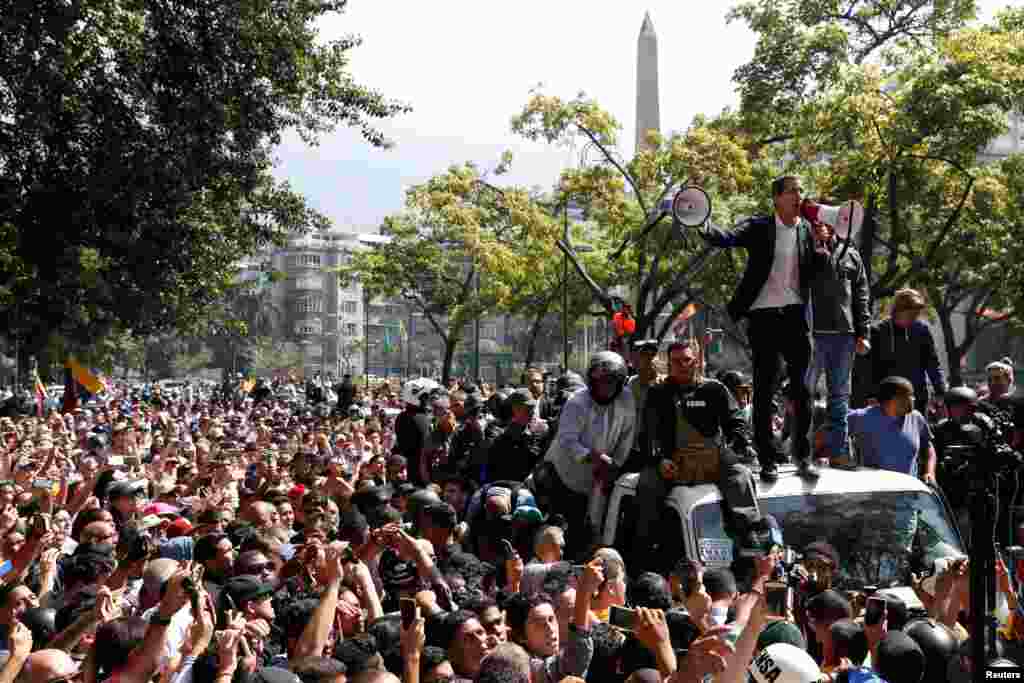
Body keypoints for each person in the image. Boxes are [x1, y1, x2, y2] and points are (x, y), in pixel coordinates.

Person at [699, 175, 819, 483]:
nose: (799, 196)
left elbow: (814, 271)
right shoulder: (759, 227)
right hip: (763, 317)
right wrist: (701, 222)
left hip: (795, 316)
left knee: (803, 389)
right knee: (764, 389)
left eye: (800, 191)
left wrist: (825, 245)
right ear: (777, 198)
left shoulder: (807, 230)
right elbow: (725, 237)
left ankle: (803, 456)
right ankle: (767, 459)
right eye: (793, 191)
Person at [633, 338, 772, 571]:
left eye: (687, 360)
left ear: (696, 362)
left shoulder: (714, 389)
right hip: (673, 464)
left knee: (740, 475)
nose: (682, 365)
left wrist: (735, 445)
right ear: (668, 363)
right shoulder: (657, 393)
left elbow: (736, 422)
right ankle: (646, 554)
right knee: (647, 484)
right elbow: (647, 436)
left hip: (712, 460)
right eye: (676, 361)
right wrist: (659, 461)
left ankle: (750, 542)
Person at [534, 351, 636, 558]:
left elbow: (627, 436)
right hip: (565, 474)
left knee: (595, 529)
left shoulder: (626, 399)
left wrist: (615, 465)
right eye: (601, 382)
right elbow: (567, 440)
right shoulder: (577, 402)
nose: (605, 388)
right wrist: (593, 457)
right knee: (566, 528)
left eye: (611, 383)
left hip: (600, 476)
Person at [806, 214, 871, 467]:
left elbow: (861, 296)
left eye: (827, 220)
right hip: (812, 334)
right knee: (803, 393)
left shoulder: (852, 255)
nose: (822, 225)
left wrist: (863, 332)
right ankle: (802, 450)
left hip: (844, 335)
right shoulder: (804, 251)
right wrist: (816, 250)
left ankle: (839, 451)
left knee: (840, 397)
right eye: (817, 222)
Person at [857, 288, 947, 415]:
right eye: (911, 314)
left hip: (917, 398)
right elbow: (869, 368)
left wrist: (940, 391)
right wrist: (871, 394)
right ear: (899, 310)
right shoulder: (878, 331)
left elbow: (932, 363)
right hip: (887, 400)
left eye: (916, 314)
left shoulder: (922, 330)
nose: (914, 317)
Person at [847, 376, 936, 484]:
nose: (913, 399)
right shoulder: (864, 417)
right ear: (891, 399)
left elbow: (928, 448)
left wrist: (930, 472)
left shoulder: (916, 418)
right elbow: (831, 429)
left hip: (908, 492)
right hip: (875, 493)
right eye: (909, 395)